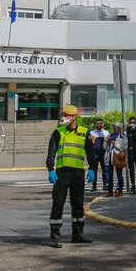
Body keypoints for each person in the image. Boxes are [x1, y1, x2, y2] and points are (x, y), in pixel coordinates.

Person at [44, 103, 93, 247]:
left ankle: (78, 235)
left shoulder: (85, 132)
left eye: (67, 115)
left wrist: (92, 168)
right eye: (63, 115)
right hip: (61, 173)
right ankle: (55, 237)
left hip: (78, 174)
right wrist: (50, 170)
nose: (64, 117)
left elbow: (90, 153)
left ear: (74, 117)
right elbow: (51, 154)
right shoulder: (58, 132)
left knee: (78, 205)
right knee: (58, 204)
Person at [86, 118, 109, 193]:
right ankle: (94, 185)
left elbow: (108, 143)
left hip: (103, 153)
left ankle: (105, 184)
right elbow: (88, 143)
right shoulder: (92, 133)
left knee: (104, 169)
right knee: (94, 169)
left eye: (101, 123)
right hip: (94, 153)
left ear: (103, 124)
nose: (99, 124)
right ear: (96, 124)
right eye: (98, 123)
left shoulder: (106, 133)